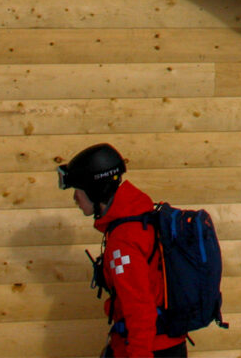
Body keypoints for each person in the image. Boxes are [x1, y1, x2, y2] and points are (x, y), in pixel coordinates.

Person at [58, 143, 188, 358]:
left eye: (77, 191)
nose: (75, 198)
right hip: (162, 343)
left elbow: (139, 308)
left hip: (148, 348)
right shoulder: (140, 219)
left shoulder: (124, 241)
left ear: (94, 190)